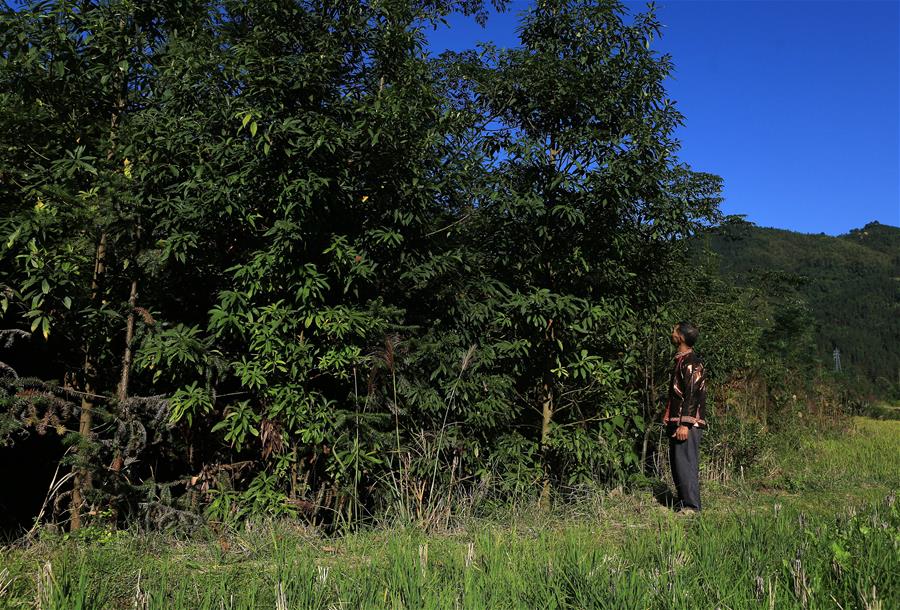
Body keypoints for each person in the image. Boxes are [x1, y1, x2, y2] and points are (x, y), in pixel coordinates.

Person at [663, 321, 707, 514]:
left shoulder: (692, 363)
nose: (671, 333)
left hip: (687, 423)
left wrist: (684, 424)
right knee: (678, 463)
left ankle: (691, 507)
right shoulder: (682, 361)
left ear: (680, 336)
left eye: (674, 330)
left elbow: (692, 394)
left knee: (686, 463)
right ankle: (683, 504)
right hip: (679, 420)